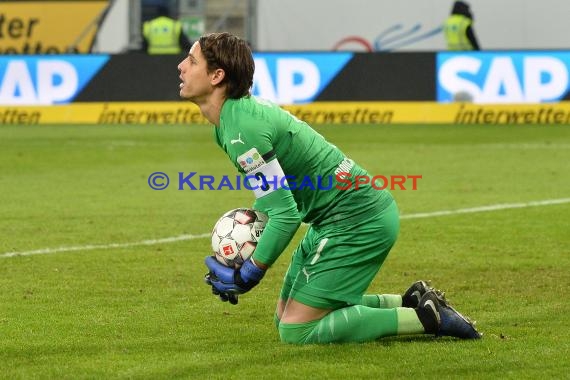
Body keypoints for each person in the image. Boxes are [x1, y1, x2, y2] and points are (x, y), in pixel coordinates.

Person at [177, 32, 481, 344]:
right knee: (284, 315)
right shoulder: (231, 122)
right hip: (335, 219)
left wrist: (251, 271)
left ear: (217, 76)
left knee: (297, 330)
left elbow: (285, 214)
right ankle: (409, 302)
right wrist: (244, 248)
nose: (181, 66)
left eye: (191, 60)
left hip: (357, 220)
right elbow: (272, 200)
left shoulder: (243, 129)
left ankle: (428, 318)